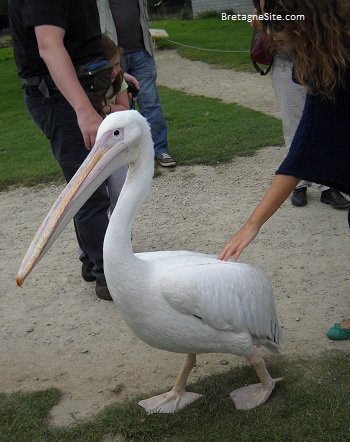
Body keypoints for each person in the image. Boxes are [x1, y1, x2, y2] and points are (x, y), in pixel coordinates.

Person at [220, 0, 350, 340]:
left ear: (307, 21)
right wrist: (252, 224)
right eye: (266, 23)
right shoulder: (322, 61)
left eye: (277, 25)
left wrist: (253, 223)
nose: (269, 33)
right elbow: (304, 144)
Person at [9, 0, 113, 300]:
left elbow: (80, 42)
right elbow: (49, 46)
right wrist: (83, 110)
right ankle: (109, 275)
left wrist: (113, 76)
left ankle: (92, 261)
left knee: (90, 183)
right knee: (89, 188)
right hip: (60, 98)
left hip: (76, 89)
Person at [97, 0, 177, 168]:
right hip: (113, 55)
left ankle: (159, 149)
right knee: (123, 109)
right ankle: (129, 156)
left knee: (150, 102)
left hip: (141, 50)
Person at [100, 34, 130, 213]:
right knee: (99, 196)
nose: (115, 71)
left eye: (118, 65)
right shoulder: (90, 85)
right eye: (110, 66)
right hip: (98, 145)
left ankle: (124, 235)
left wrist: (107, 109)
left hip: (116, 144)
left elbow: (126, 110)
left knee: (120, 190)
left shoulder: (119, 81)